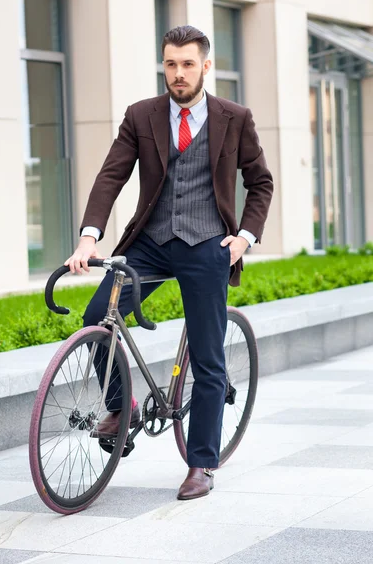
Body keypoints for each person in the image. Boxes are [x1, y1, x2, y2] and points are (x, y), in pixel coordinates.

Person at [65, 25, 273, 500]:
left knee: (207, 356)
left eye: (186, 64)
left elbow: (261, 182)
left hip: (208, 244)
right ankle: (122, 407)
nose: (177, 74)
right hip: (152, 243)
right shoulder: (141, 115)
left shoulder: (234, 117)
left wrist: (243, 237)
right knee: (98, 315)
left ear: (206, 65)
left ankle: (202, 462)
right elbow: (111, 176)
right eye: (170, 64)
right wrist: (88, 238)